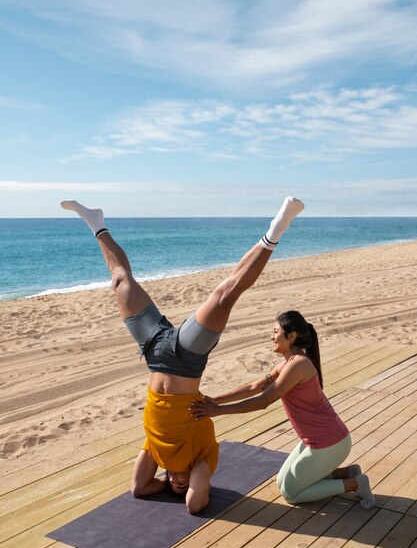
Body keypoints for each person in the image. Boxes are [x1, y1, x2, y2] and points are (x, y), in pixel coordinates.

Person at [60, 197, 304, 514]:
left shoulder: (157, 455)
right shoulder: (202, 460)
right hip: (186, 357)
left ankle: (96, 222)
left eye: (174, 486)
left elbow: (139, 488)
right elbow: (194, 505)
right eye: (182, 485)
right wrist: (191, 482)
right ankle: (280, 224)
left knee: (121, 281)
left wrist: (166, 481)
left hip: (152, 350)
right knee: (226, 293)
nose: (178, 484)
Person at [190, 310, 376, 509]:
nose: (271, 336)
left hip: (330, 443)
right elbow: (254, 388)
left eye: (275, 331)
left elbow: (264, 400)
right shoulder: (287, 364)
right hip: (316, 441)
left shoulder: (299, 365)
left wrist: (218, 411)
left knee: (291, 493)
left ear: (292, 336)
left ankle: (355, 484)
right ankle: (347, 473)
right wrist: (214, 400)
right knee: (281, 482)